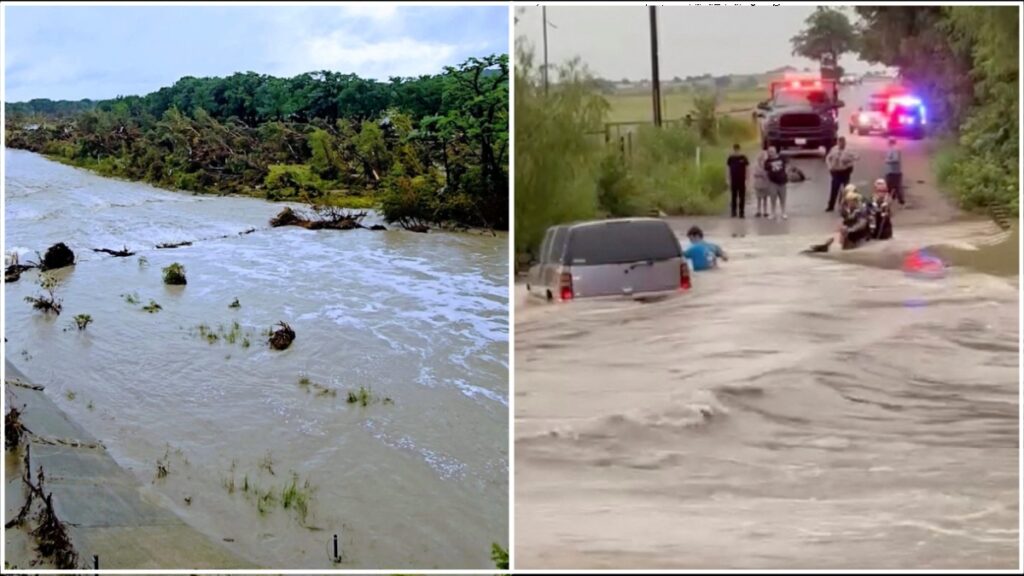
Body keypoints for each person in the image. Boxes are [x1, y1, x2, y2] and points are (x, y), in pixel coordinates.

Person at [825, 137, 857, 212]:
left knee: (846, 189)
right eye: (840, 143)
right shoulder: (834, 149)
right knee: (834, 189)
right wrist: (829, 167)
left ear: (845, 143)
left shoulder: (849, 150)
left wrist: (849, 162)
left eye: (843, 143)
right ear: (838, 143)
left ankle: (846, 205)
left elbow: (856, 157)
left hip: (845, 171)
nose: (841, 145)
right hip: (835, 171)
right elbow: (828, 158)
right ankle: (831, 206)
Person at [763, 146, 788, 220]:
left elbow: (786, 167)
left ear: (775, 151)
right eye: (769, 151)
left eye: (772, 151)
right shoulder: (767, 161)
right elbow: (766, 171)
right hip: (773, 182)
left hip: (782, 182)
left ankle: (783, 213)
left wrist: (786, 176)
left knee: (783, 198)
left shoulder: (782, 158)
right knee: (773, 198)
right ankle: (773, 213)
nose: (771, 153)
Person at [726, 143, 749, 218]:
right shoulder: (731, 158)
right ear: (733, 150)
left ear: (739, 150)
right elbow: (728, 169)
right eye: (735, 150)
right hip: (733, 180)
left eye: (737, 150)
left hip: (742, 180)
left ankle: (741, 212)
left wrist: (747, 179)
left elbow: (747, 169)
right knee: (733, 196)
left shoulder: (743, 158)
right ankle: (733, 211)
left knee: (742, 197)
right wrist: (728, 179)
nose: (736, 151)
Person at [885, 137, 904, 205]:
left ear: (891, 142)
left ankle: (896, 200)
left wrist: (888, 161)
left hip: (893, 171)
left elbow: (896, 159)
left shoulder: (894, 149)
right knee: (896, 186)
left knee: (891, 186)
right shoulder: (892, 149)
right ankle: (897, 199)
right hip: (893, 171)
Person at [752, 148, 770, 218]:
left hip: (765, 184)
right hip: (758, 183)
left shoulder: (767, 166)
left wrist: (765, 175)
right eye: (760, 159)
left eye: (763, 159)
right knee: (759, 198)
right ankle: (758, 211)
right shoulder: (756, 166)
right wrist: (761, 175)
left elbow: (768, 174)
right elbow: (754, 174)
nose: (762, 161)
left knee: (765, 198)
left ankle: (765, 211)